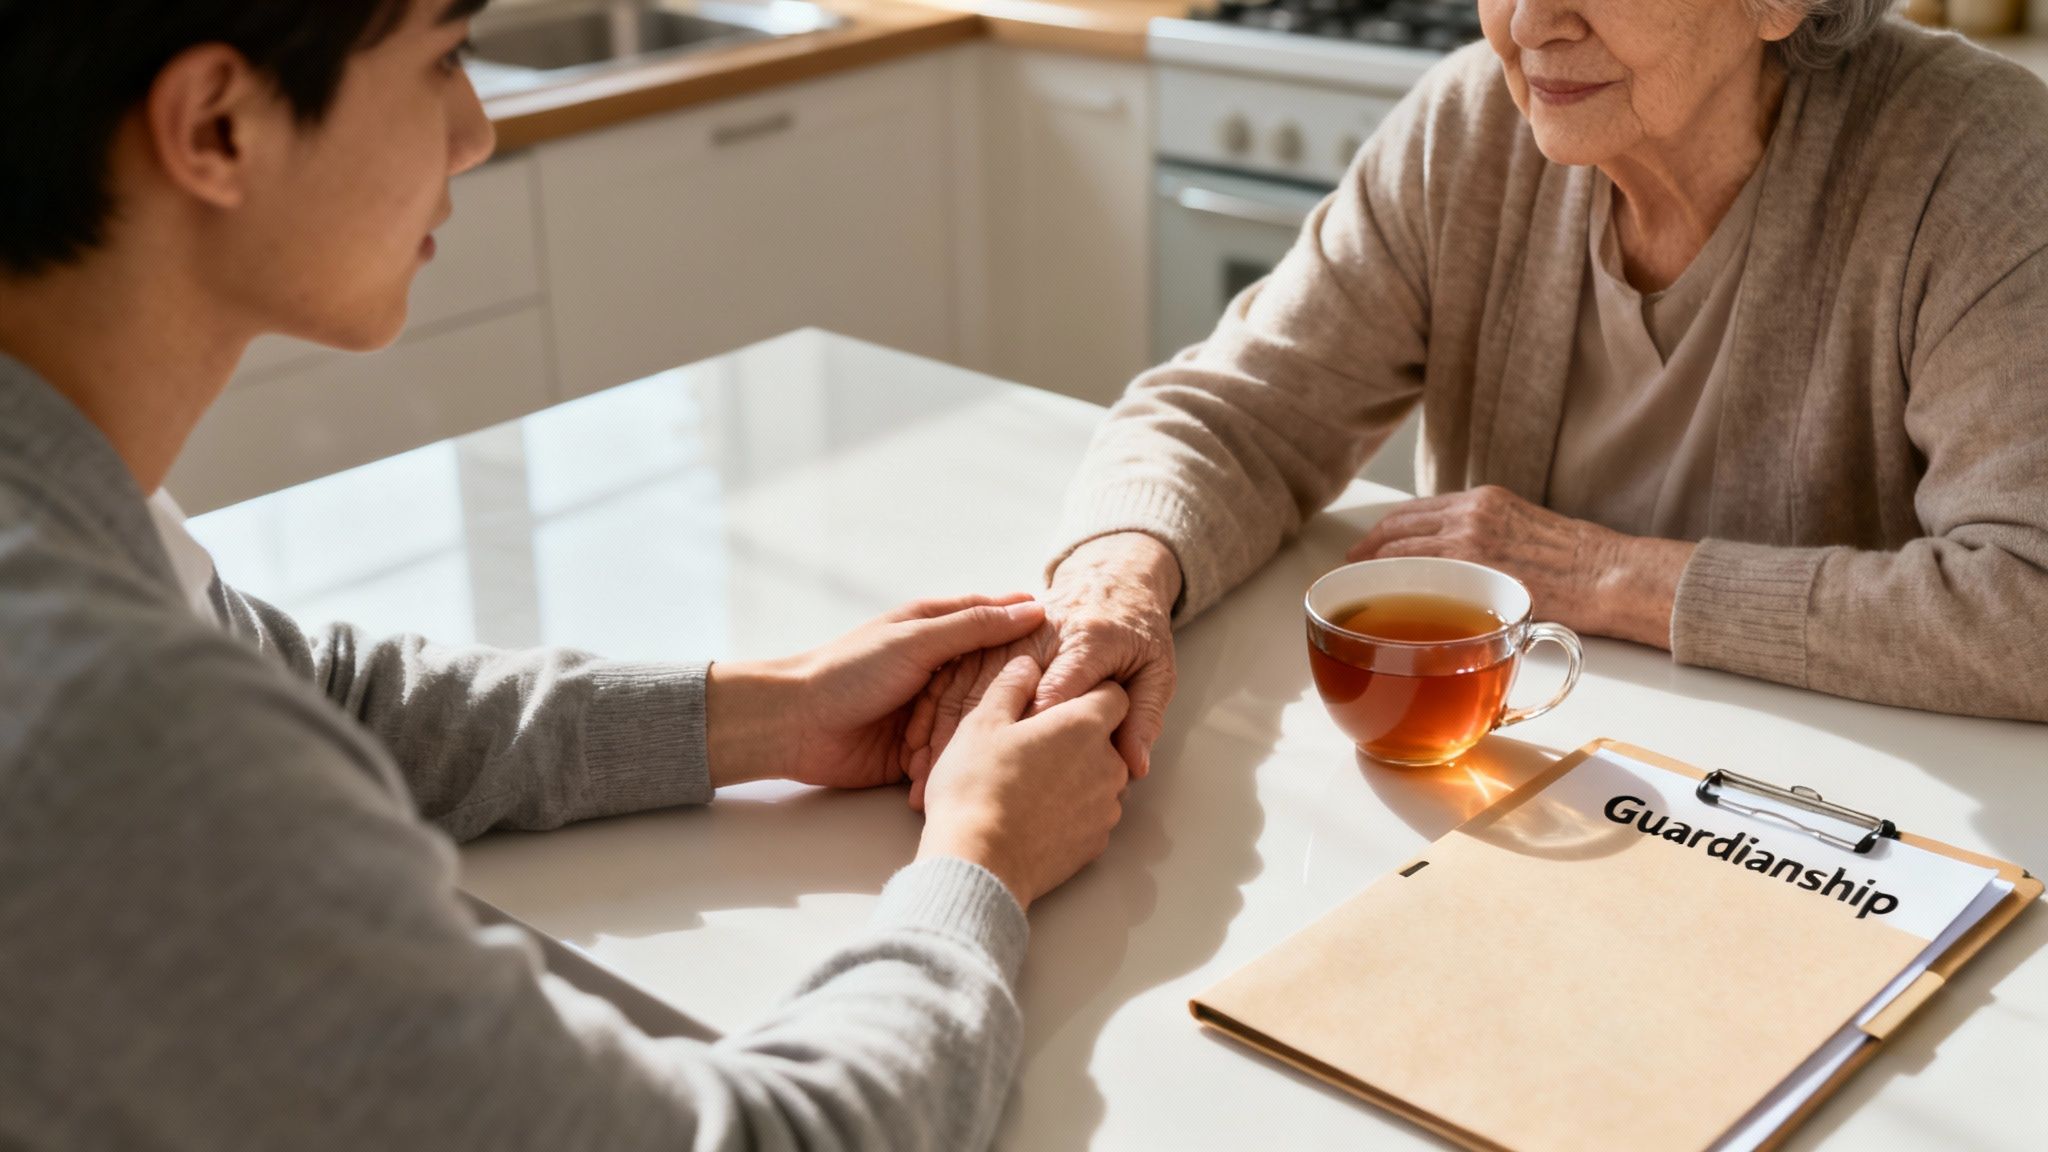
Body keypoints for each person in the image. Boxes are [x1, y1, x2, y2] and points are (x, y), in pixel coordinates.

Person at [0, 2, 1131, 1148]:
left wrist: (771, 712)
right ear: (217, 127)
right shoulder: (100, 724)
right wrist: (979, 859)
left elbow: (316, 696)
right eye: (442, 56)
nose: (476, 129)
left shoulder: (72, 517)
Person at [988, 0, 2048, 778]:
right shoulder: (1467, 129)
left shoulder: (1981, 164)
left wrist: (1606, 575)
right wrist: (1114, 591)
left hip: (1827, 822)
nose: (1526, 22)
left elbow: (2028, 603)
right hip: (1487, 786)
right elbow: (1231, 414)